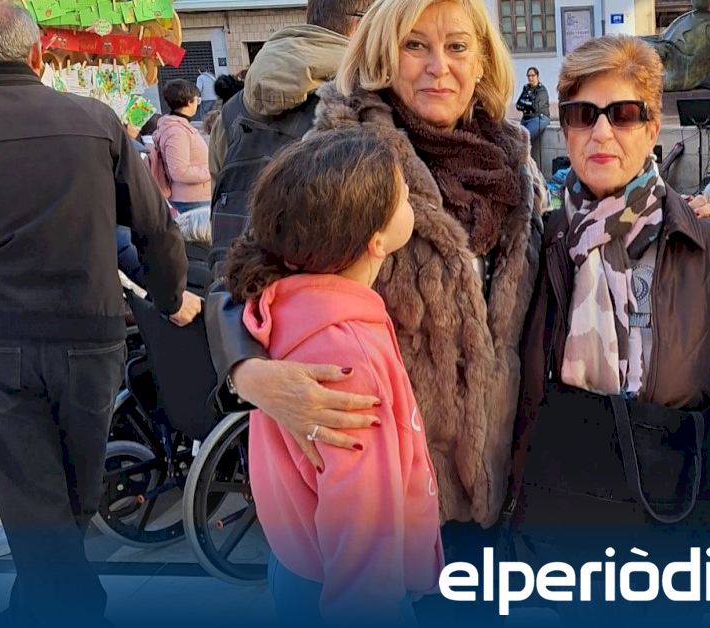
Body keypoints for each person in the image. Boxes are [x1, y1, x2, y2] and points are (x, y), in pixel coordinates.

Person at [206, 0, 544, 615]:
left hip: (488, 505)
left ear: (482, 61)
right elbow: (238, 274)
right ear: (383, 54)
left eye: (457, 46)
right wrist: (248, 373)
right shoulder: (338, 148)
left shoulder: (512, 165)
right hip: (375, 507)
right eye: (415, 45)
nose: (438, 66)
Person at [507, 35, 710, 617]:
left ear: (653, 126)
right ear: (566, 128)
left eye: (624, 113)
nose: (602, 132)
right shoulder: (538, 245)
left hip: (683, 515)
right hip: (568, 523)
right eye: (583, 115)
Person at [0, 4, 199, 624]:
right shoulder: (96, 121)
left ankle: (53, 608)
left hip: (4, 344)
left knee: (36, 505)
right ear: (38, 56)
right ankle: (70, 608)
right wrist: (171, 299)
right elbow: (156, 229)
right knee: (73, 499)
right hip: (90, 335)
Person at [226, 128, 442, 624]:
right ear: (375, 239)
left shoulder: (283, 307)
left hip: (295, 561)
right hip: (345, 589)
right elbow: (361, 526)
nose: (410, 197)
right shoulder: (347, 358)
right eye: (403, 195)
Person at [208, 0, 370, 264]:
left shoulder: (231, 111)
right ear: (361, 25)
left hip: (236, 275)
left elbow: (218, 192)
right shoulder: (364, 98)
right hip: (324, 278)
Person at [156, 78, 213, 212]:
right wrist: (211, 171)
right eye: (197, 100)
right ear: (189, 102)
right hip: (192, 199)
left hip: (195, 197)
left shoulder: (179, 127)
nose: (197, 104)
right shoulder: (176, 132)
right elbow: (179, 171)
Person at [515, 66, 549, 142]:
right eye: (528, 76)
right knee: (517, 139)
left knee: (525, 139)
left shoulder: (541, 90)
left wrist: (524, 103)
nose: (530, 78)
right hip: (526, 118)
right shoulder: (526, 88)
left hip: (538, 118)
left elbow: (535, 107)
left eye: (533, 75)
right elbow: (518, 105)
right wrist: (529, 104)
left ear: (537, 76)